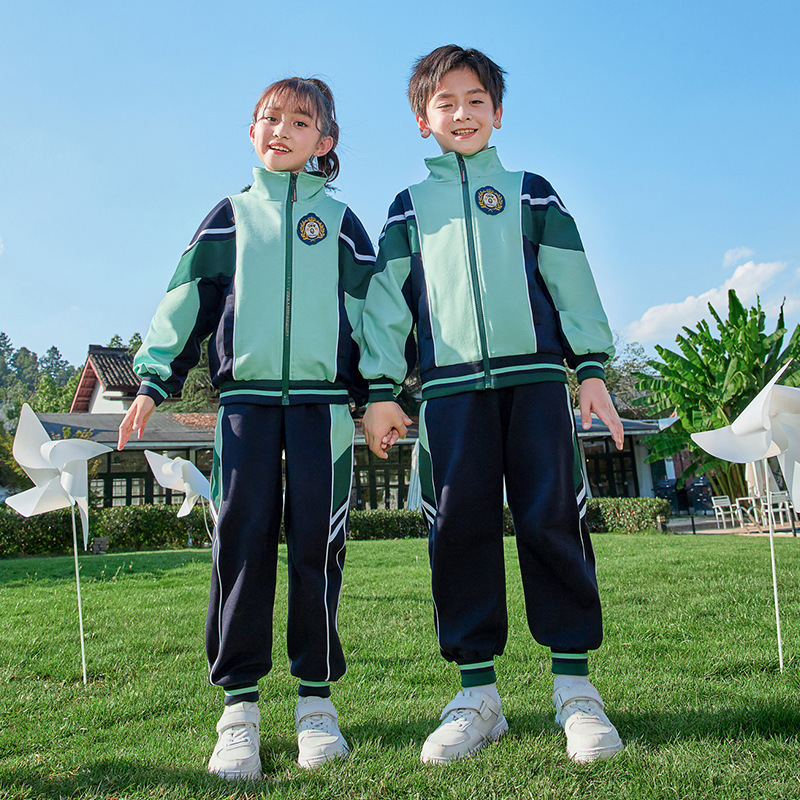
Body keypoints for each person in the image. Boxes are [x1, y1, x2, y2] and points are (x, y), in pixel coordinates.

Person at [359, 45, 625, 764]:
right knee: (459, 532)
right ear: (423, 120)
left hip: (535, 385)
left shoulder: (533, 194)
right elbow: (387, 306)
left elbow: (572, 281)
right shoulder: (407, 209)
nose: (463, 113)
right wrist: (380, 392)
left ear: (498, 112)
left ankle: (576, 691)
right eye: (445, 102)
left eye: (476, 100)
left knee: (552, 521)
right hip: (448, 395)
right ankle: (477, 696)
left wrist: (590, 369)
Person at [118, 77, 375, 779]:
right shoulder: (229, 216)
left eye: (299, 121)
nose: (281, 129)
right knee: (241, 546)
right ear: (252, 131)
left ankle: (316, 703)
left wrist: (378, 391)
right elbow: (185, 299)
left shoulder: (342, 223)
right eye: (269, 117)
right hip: (244, 413)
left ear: (324, 141)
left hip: (324, 409)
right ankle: (239, 711)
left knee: (319, 546)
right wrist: (153, 380)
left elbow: (375, 312)